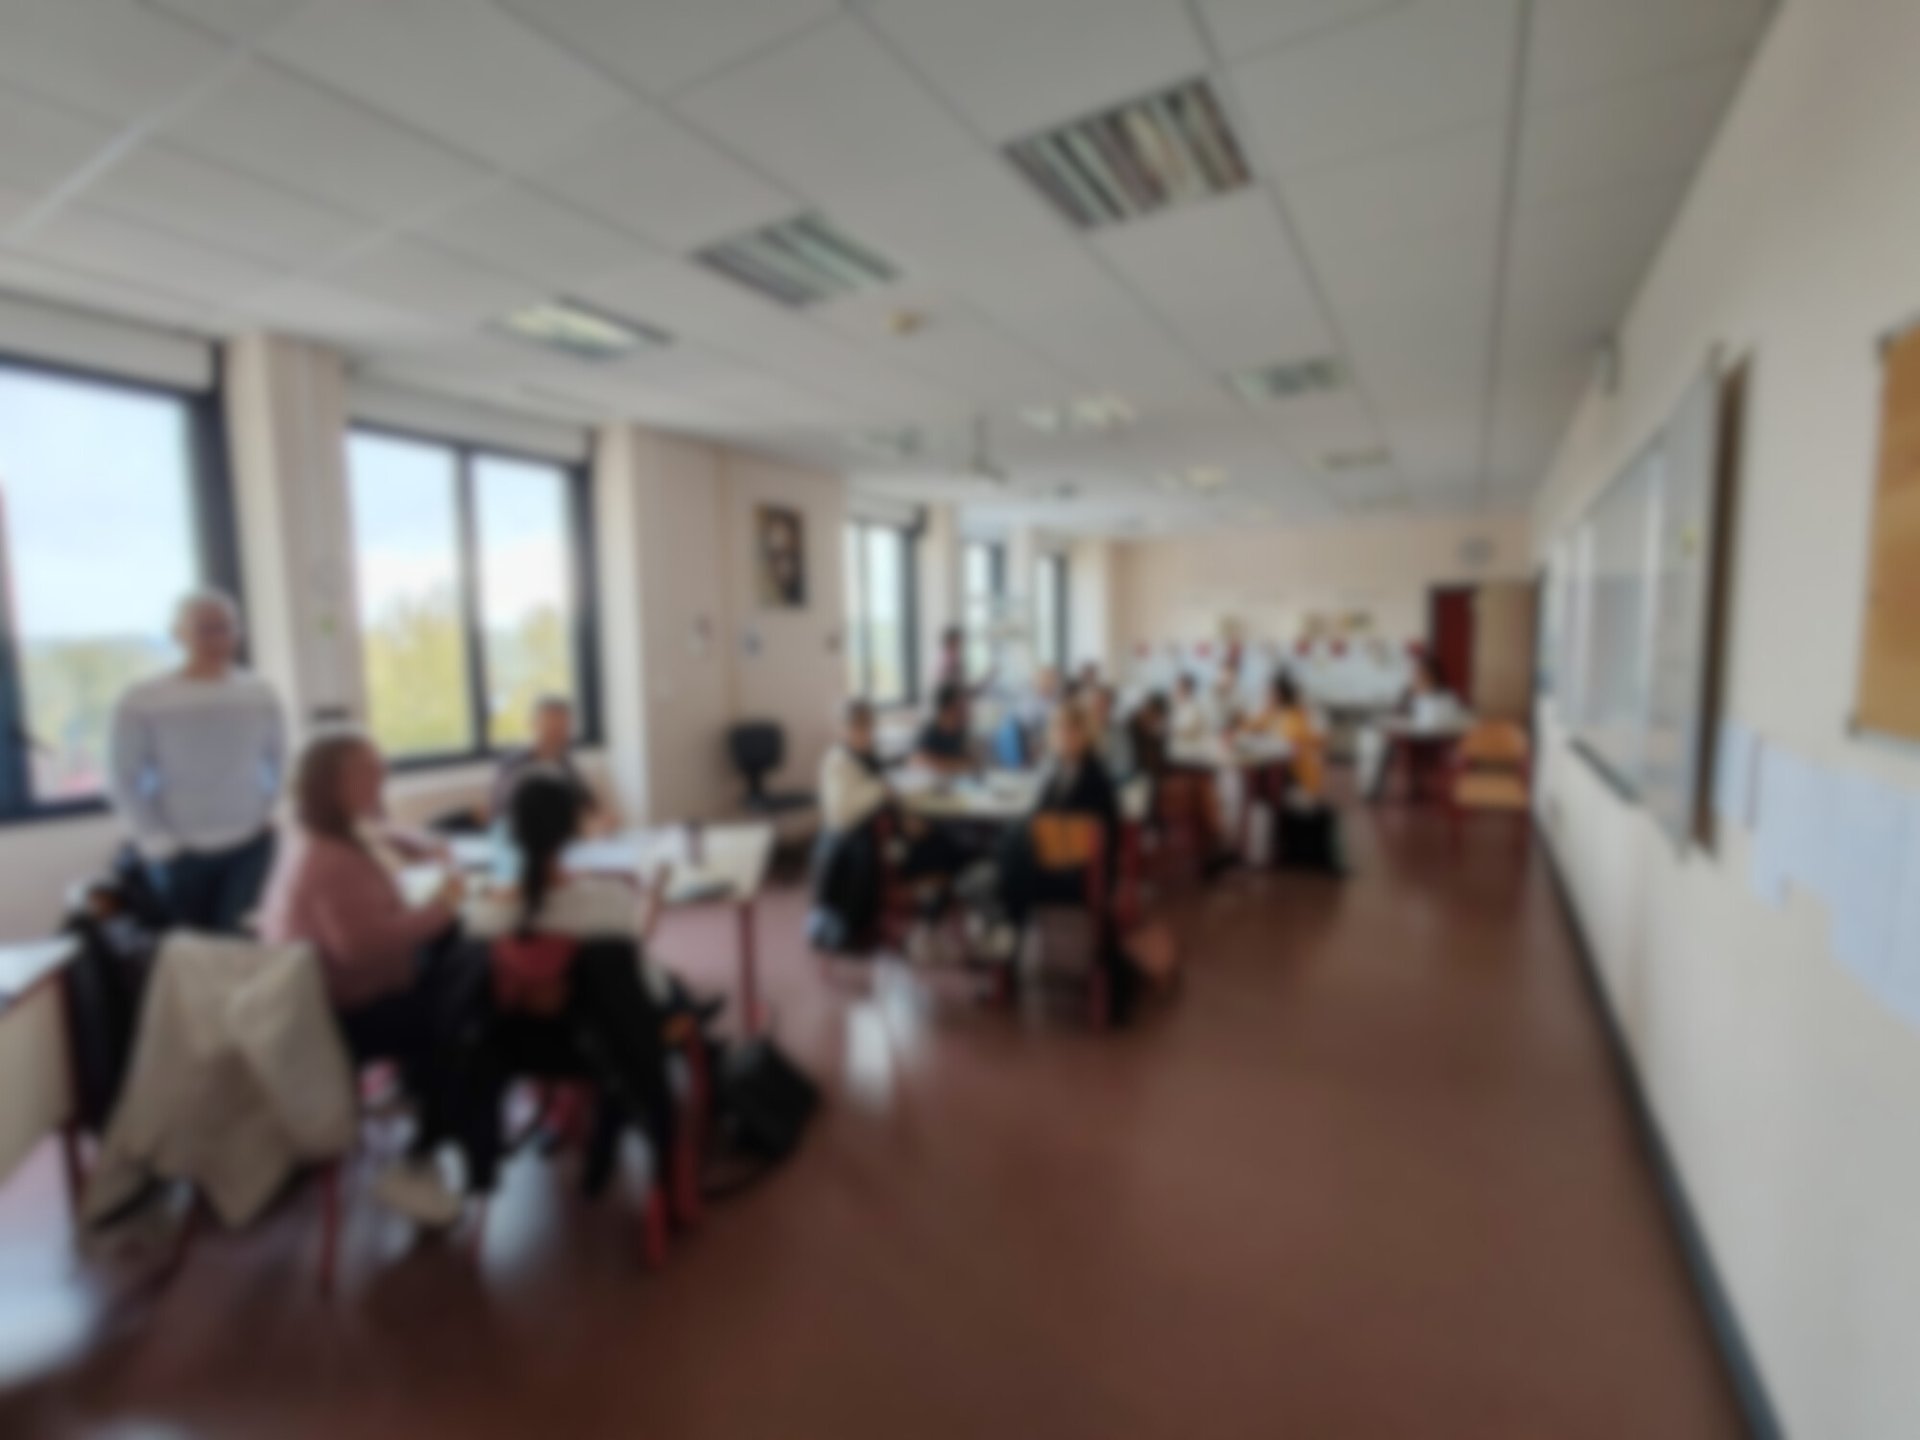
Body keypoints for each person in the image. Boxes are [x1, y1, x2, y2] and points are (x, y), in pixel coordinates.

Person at [257, 731, 473, 1226]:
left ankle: (418, 1093)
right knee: (464, 1017)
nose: (383, 777)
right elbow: (364, 949)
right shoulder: (330, 858)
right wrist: (446, 904)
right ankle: (417, 1158)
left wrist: (413, 843)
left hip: (331, 996)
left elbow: (379, 834)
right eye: (369, 772)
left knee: (458, 967)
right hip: (347, 1012)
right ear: (332, 784)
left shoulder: (314, 832)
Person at [464, 772, 683, 1205]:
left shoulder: (485, 912)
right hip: (609, 1040)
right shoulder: (605, 898)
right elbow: (639, 932)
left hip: (522, 1044)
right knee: (671, 994)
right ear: (571, 831)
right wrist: (654, 891)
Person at [109, 590, 285, 932]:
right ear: (179, 634)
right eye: (205, 629)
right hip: (180, 852)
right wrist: (158, 843)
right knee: (193, 950)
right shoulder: (143, 698)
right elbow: (123, 777)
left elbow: (280, 762)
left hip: (250, 846)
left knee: (242, 944)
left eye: (225, 627)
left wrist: (270, 814)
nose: (217, 638)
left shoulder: (260, 693)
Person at [990, 705, 1136, 1019]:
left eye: (1073, 731)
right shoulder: (1054, 772)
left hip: (1082, 875)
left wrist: (1041, 832)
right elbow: (1040, 817)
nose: (1065, 737)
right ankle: (1007, 931)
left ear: (1087, 736)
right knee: (1012, 842)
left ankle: (1008, 932)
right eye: (1059, 731)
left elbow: (1099, 838)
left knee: (1012, 851)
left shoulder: (1097, 779)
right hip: (1050, 868)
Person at [491, 694, 607, 833]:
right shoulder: (514, 766)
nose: (558, 734)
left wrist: (600, 819)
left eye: (563, 727)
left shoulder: (565, 764)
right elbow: (507, 814)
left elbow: (590, 806)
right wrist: (577, 825)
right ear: (534, 725)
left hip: (569, 839)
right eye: (552, 727)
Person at [912, 682, 976, 776]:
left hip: (957, 780)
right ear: (946, 709)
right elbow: (918, 761)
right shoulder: (930, 731)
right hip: (933, 781)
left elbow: (971, 762)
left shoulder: (961, 731)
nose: (966, 711)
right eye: (960, 707)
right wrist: (955, 764)